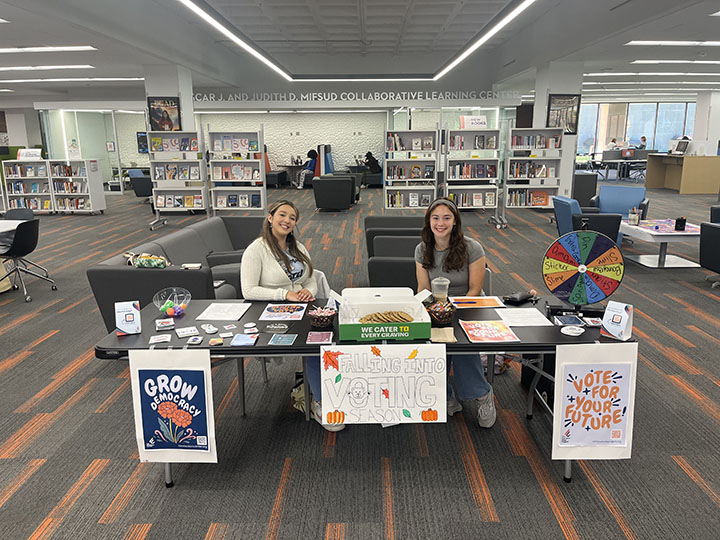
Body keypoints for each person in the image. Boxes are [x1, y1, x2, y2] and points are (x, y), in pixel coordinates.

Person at [240, 199, 343, 432]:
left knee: (326, 342)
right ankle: (321, 402)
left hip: (303, 308)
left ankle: (326, 391)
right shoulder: (256, 250)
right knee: (312, 347)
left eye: (292, 218)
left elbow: (310, 278)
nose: (287, 221)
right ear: (270, 217)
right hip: (272, 312)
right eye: (282, 215)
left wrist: (309, 291)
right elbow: (248, 290)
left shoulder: (297, 247)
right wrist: (284, 294)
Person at [414, 197, 496, 428]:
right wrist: (436, 312)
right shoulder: (422, 249)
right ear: (429, 221)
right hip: (436, 308)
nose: (441, 223)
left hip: (467, 306)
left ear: (455, 222)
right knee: (430, 346)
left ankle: (481, 394)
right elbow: (423, 289)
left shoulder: (472, 247)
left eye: (446, 218)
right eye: (436, 218)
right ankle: (446, 394)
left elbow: (475, 289)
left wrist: (453, 312)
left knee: (461, 345)